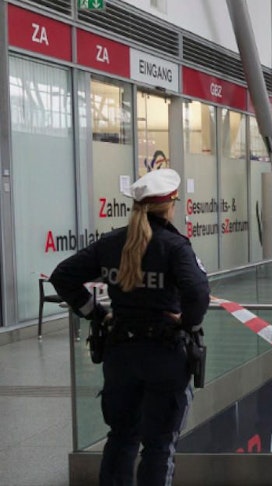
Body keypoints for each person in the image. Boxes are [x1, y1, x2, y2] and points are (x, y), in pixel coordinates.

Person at [49, 168, 210, 486]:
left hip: (120, 354)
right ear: (169, 206)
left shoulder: (111, 243)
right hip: (164, 354)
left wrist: (96, 314)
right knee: (159, 446)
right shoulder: (174, 246)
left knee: (121, 438)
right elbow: (198, 293)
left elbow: (62, 276)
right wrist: (187, 322)